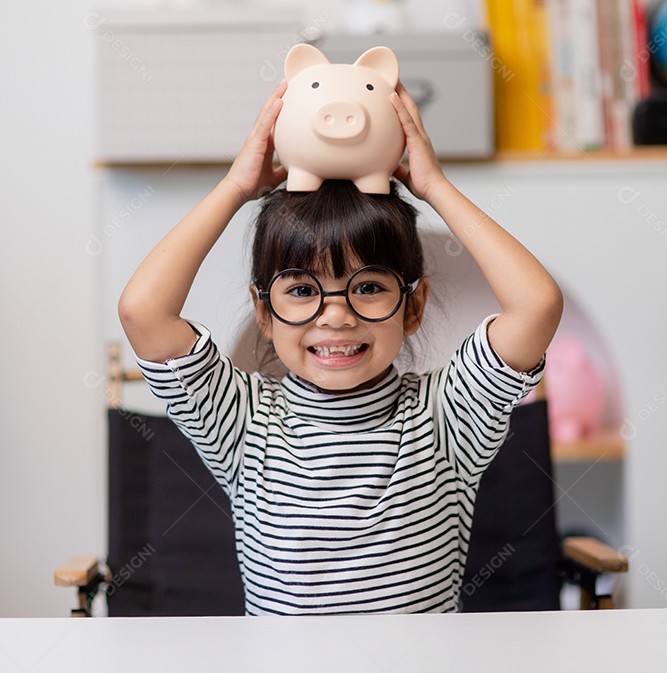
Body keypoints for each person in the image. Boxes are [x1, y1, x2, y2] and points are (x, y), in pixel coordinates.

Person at [119, 79, 563, 615]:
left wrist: (435, 188)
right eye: (302, 290)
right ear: (265, 312)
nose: (336, 314)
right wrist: (236, 187)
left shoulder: (449, 416)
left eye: (369, 287)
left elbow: (536, 304)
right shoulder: (243, 423)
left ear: (414, 306)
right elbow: (143, 311)